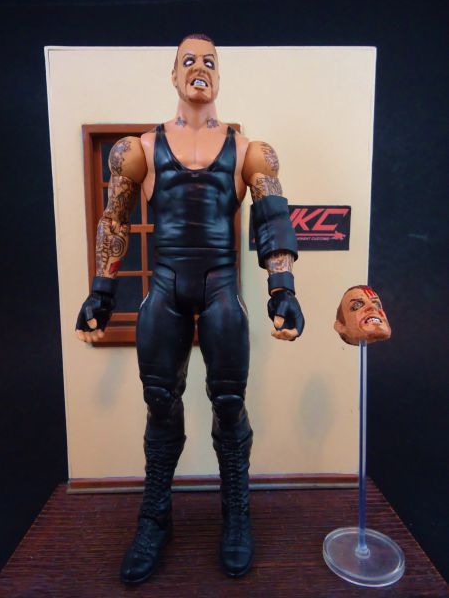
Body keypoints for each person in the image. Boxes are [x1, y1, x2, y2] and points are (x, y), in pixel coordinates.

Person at [76, 33, 304, 584]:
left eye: (210, 61)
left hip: (222, 287)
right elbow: (114, 220)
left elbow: (272, 218)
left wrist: (283, 289)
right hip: (166, 288)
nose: (199, 68)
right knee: (160, 402)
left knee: (229, 402)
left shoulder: (251, 151)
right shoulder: (138, 149)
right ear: (173, 75)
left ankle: (236, 516)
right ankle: (155, 517)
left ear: (219, 76)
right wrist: (102, 291)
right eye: (189, 61)